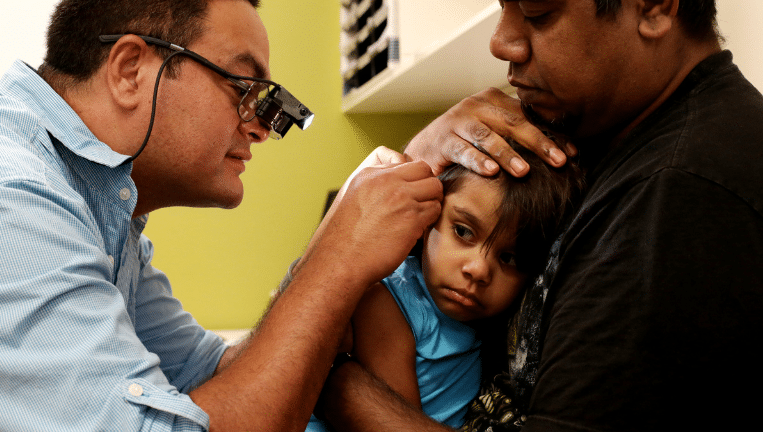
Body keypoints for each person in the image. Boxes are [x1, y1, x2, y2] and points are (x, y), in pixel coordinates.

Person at [0, 0, 446, 430]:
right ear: (130, 71)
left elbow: (207, 371)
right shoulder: (14, 198)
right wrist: (338, 260)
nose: (261, 128)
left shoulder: (102, 208)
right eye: (244, 89)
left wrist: (331, 247)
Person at [316, 1, 763, 431]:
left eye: (537, 12)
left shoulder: (679, 192)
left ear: (654, 6)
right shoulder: (606, 154)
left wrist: (329, 373)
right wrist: (420, 158)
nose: (501, 41)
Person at [306, 147, 583, 431]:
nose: (477, 270)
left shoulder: (493, 322)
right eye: (463, 231)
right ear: (427, 221)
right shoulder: (386, 301)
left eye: (509, 258)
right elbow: (391, 422)